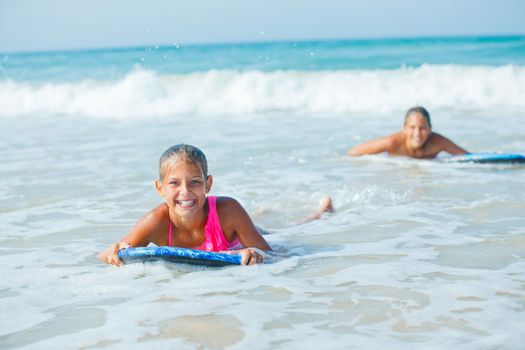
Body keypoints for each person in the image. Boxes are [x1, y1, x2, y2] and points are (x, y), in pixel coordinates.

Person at [98, 144, 333, 266]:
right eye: (174, 183)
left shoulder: (228, 210)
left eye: (195, 182)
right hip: (226, 233)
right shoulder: (157, 221)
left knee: (285, 230)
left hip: (233, 233)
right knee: (262, 221)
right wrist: (113, 251)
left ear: (208, 184)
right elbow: (109, 255)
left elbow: (272, 255)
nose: (185, 192)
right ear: (160, 189)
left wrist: (255, 254)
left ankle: (321, 212)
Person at [348, 106, 469, 159]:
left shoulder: (437, 142)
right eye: (412, 127)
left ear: (430, 129)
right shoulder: (393, 142)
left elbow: (466, 156)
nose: (417, 133)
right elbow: (354, 152)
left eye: (422, 128)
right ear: (404, 128)